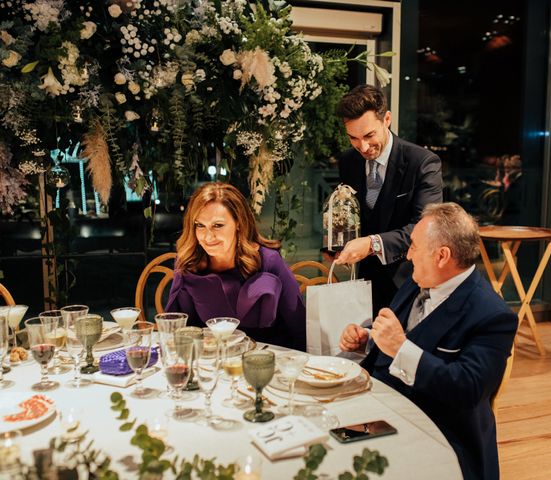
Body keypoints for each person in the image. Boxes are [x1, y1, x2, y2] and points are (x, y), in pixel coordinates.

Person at [339, 202, 517, 480]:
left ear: (442, 256)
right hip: (379, 414)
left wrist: (399, 348)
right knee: (320, 442)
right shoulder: (416, 280)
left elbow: (467, 389)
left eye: (413, 247)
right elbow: (399, 333)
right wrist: (367, 338)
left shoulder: (493, 316)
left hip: (440, 436)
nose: (408, 255)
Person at [333, 84, 443, 314]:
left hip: (409, 282)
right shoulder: (348, 161)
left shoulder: (422, 163)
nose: (362, 146)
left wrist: (372, 244)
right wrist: (337, 241)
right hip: (362, 283)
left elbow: (427, 228)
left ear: (387, 119)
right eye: (353, 138)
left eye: (369, 135)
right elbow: (351, 212)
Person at [165, 182, 306, 351]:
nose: (208, 237)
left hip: (268, 364)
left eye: (217, 225)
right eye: (200, 225)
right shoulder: (188, 264)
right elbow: (184, 333)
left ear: (238, 223)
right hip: (214, 364)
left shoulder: (268, 261)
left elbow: (300, 330)